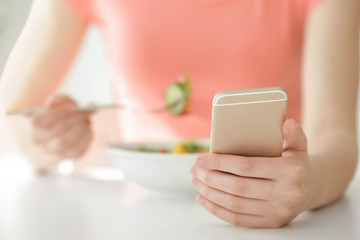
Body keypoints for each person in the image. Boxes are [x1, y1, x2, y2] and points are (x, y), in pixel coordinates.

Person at [0, 0, 359, 228]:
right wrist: (46, 139)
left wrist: (310, 183)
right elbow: (9, 121)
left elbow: (336, 132)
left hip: (261, 219)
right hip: (134, 216)